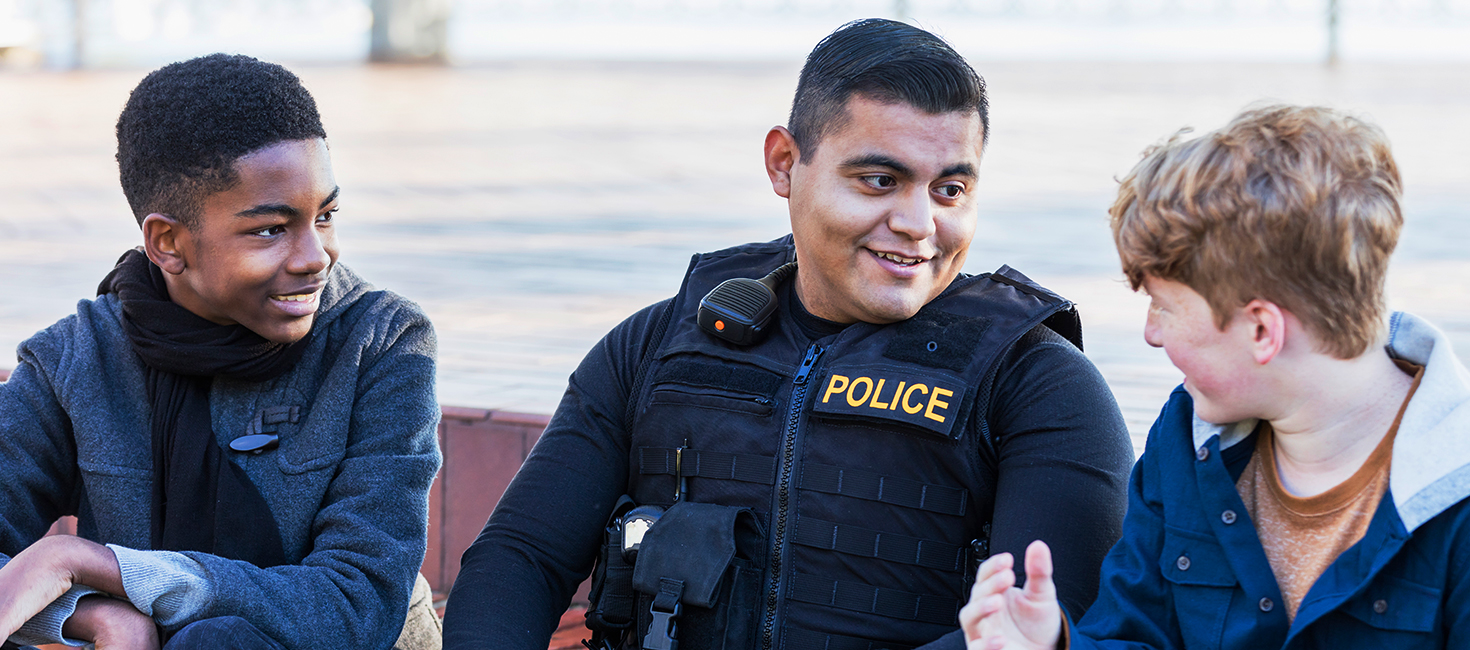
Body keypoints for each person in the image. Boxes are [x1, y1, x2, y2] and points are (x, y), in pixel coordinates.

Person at [444, 18, 1133, 650]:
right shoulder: (654, 349)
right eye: (879, 179)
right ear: (783, 164)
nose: (920, 223)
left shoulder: (1041, 386)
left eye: (950, 190)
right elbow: (519, 558)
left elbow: (1046, 621)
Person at [961, 104, 1470, 649]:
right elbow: (1135, 633)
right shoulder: (1184, 436)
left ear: (1261, 331)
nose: (1151, 334)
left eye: (1164, 306)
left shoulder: (1455, 502)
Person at [0, 54, 442, 650]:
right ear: (168, 243)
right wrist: (93, 614)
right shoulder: (75, 360)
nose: (316, 256)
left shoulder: (381, 342)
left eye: (326, 216)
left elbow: (356, 605)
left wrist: (99, 566)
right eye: (270, 229)